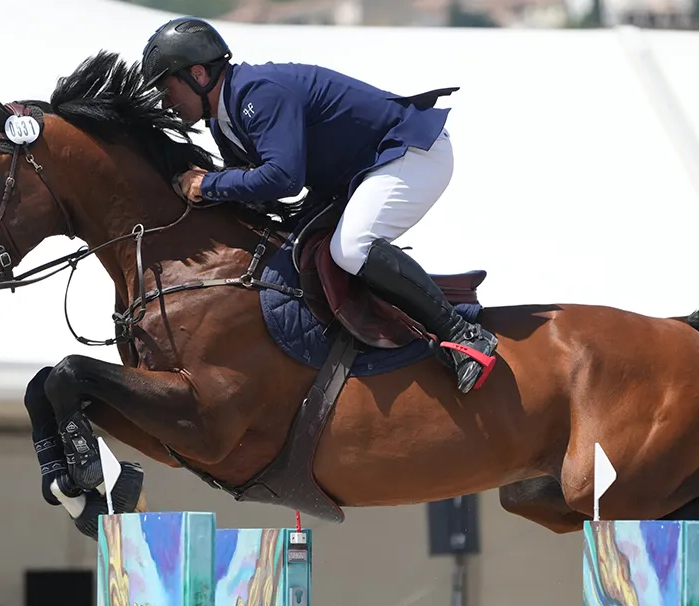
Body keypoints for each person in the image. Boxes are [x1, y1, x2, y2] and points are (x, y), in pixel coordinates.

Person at [141, 16, 498, 393]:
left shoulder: (258, 93)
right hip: (362, 172)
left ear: (198, 74)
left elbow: (283, 178)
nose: (166, 102)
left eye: (167, 87)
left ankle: (464, 335)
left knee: (352, 248)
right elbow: (255, 192)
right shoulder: (223, 122)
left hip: (411, 153)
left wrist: (208, 183)